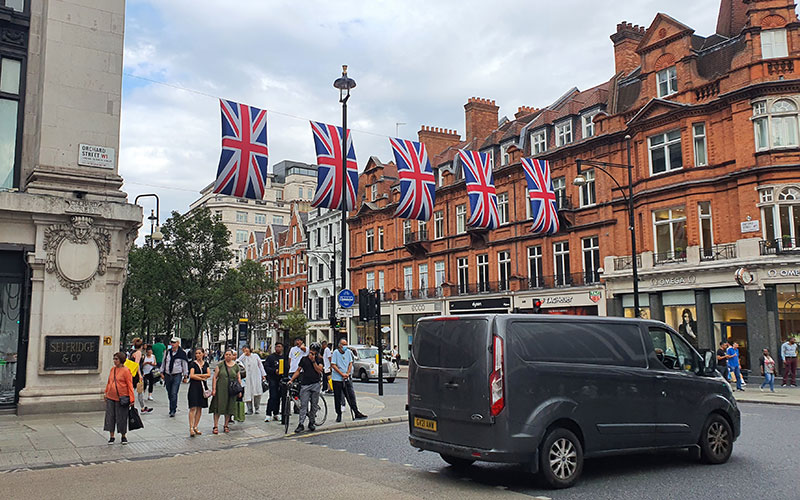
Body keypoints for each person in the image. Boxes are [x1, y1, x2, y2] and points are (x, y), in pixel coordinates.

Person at [291, 342, 324, 433]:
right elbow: (298, 370)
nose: (312, 353)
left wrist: (313, 361)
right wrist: (292, 379)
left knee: (314, 405)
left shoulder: (320, 360)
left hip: (315, 384)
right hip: (305, 384)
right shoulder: (304, 359)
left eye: (314, 352)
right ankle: (301, 424)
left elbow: (319, 370)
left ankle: (311, 422)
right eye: (311, 351)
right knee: (303, 405)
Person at [331, 339, 367, 422]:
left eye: (346, 344)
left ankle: (356, 411)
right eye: (343, 344)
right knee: (338, 397)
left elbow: (350, 363)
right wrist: (341, 374)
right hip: (337, 379)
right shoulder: (336, 353)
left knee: (351, 395)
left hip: (347, 377)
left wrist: (347, 373)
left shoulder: (348, 352)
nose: (345, 346)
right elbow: (333, 365)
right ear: (340, 345)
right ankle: (339, 414)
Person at [104, 352, 135, 445]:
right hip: (111, 396)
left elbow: (130, 384)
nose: (114, 361)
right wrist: (106, 392)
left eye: (116, 359)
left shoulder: (126, 371)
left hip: (122, 397)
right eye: (114, 359)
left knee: (121, 417)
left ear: (121, 360)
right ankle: (111, 436)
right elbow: (109, 382)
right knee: (110, 416)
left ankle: (123, 435)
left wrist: (131, 398)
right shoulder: (112, 370)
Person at [209, 349, 241, 434]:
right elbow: (215, 377)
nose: (228, 356)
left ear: (232, 356)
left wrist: (239, 390)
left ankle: (226, 425)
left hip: (231, 390)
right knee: (218, 407)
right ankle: (215, 426)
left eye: (229, 355)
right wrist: (214, 389)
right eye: (226, 354)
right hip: (221, 389)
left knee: (229, 407)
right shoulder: (220, 365)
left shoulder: (236, 366)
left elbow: (238, 378)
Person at [161, 337, 189, 417]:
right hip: (167, 375)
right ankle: (173, 405)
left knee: (174, 392)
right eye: (171, 342)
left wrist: (185, 376)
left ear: (178, 343)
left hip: (177, 375)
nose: (172, 344)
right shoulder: (167, 352)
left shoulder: (182, 353)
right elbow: (164, 362)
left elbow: (184, 365)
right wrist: (161, 372)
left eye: (174, 342)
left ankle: (173, 409)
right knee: (169, 392)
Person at [237, 345, 267, 415]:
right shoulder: (244, 358)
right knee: (248, 393)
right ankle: (249, 409)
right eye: (244, 349)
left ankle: (257, 408)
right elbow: (238, 361)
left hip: (256, 376)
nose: (246, 351)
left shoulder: (255, 356)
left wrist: (263, 375)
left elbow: (260, 365)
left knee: (257, 393)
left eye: (246, 349)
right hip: (247, 378)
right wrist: (244, 354)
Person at [188, 347, 210, 436]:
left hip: (203, 388)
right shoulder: (193, 364)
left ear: (203, 354)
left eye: (200, 353)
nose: (198, 355)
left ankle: (195, 426)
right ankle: (191, 427)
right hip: (194, 387)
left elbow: (208, 374)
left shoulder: (206, 364)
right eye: (196, 353)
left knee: (200, 407)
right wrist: (202, 377)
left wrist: (199, 375)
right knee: (193, 407)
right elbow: (192, 375)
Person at [264, 342, 286, 422]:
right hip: (273, 379)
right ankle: (268, 413)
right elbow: (266, 367)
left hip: (281, 379)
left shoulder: (284, 357)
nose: (278, 348)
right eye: (276, 346)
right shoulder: (270, 357)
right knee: (273, 396)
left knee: (279, 397)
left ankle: (276, 413)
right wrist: (274, 371)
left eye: (279, 347)